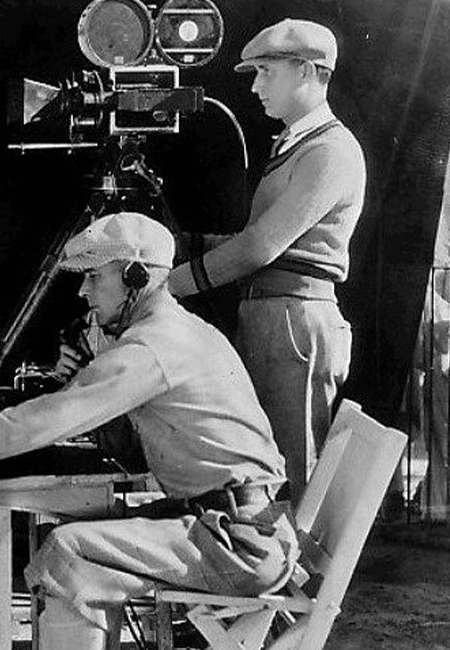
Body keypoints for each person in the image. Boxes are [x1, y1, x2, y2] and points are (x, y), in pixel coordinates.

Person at [0, 212, 298, 650]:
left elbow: (47, 421)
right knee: (72, 552)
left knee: (69, 551)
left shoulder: (152, 349)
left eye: (93, 277)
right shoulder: (174, 332)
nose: (83, 292)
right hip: (233, 527)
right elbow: (133, 449)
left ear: (135, 277)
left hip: (237, 545)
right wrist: (88, 370)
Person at [166, 18, 366, 501]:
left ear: (305, 71)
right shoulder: (296, 146)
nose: (255, 87)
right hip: (270, 317)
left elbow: (260, 248)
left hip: (294, 324)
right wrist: (184, 244)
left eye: (265, 72)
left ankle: (291, 575)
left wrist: (173, 284)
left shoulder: (331, 151)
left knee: (292, 475)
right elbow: (255, 243)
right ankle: (276, 569)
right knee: (266, 469)